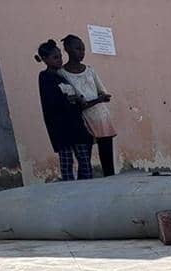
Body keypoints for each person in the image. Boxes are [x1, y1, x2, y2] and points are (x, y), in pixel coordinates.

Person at [35, 39, 93, 181]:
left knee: (85, 161)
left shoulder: (62, 76)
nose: (60, 60)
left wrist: (78, 100)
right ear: (45, 59)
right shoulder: (45, 77)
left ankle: (87, 187)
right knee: (67, 162)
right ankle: (69, 189)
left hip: (76, 124)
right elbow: (54, 101)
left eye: (60, 56)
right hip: (61, 127)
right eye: (55, 57)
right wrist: (71, 100)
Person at [60, 34, 116, 177]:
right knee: (84, 159)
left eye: (83, 49)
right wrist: (98, 99)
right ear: (67, 49)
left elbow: (102, 91)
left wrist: (102, 98)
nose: (81, 53)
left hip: (100, 116)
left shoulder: (90, 70)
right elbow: (72, 100)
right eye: (78, 49)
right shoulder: (62, 74)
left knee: (107, 159)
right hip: (81, 119)